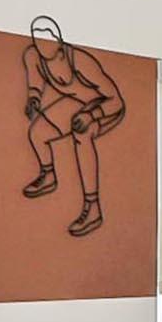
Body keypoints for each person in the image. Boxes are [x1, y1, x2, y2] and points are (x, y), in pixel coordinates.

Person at [21, 15, 125, 237]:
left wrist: (92, 115)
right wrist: (34, 100)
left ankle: (92, 207)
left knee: (82, 133)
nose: (42, 46)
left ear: (58, 40)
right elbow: (35, 83)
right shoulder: (33, 56)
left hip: (103, 105)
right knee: (37, 133)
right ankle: (48, 175)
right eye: (38, 41)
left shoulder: (79, 61)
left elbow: (116, 100)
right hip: (75, 102)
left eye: (46, 41)